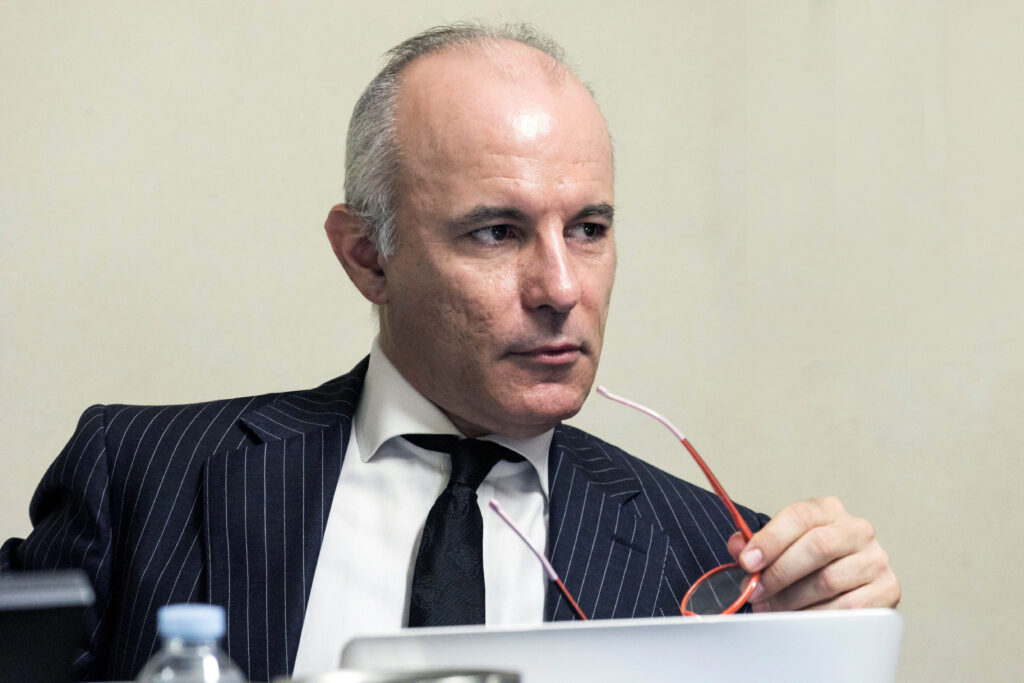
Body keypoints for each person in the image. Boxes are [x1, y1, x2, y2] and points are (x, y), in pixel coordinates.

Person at [0, 22, 899, 682]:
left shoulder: (721, 562)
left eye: (588, 228)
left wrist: (833, 647)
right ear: (368, 256)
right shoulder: (142, 476)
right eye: (497, 232)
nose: (560, 287)